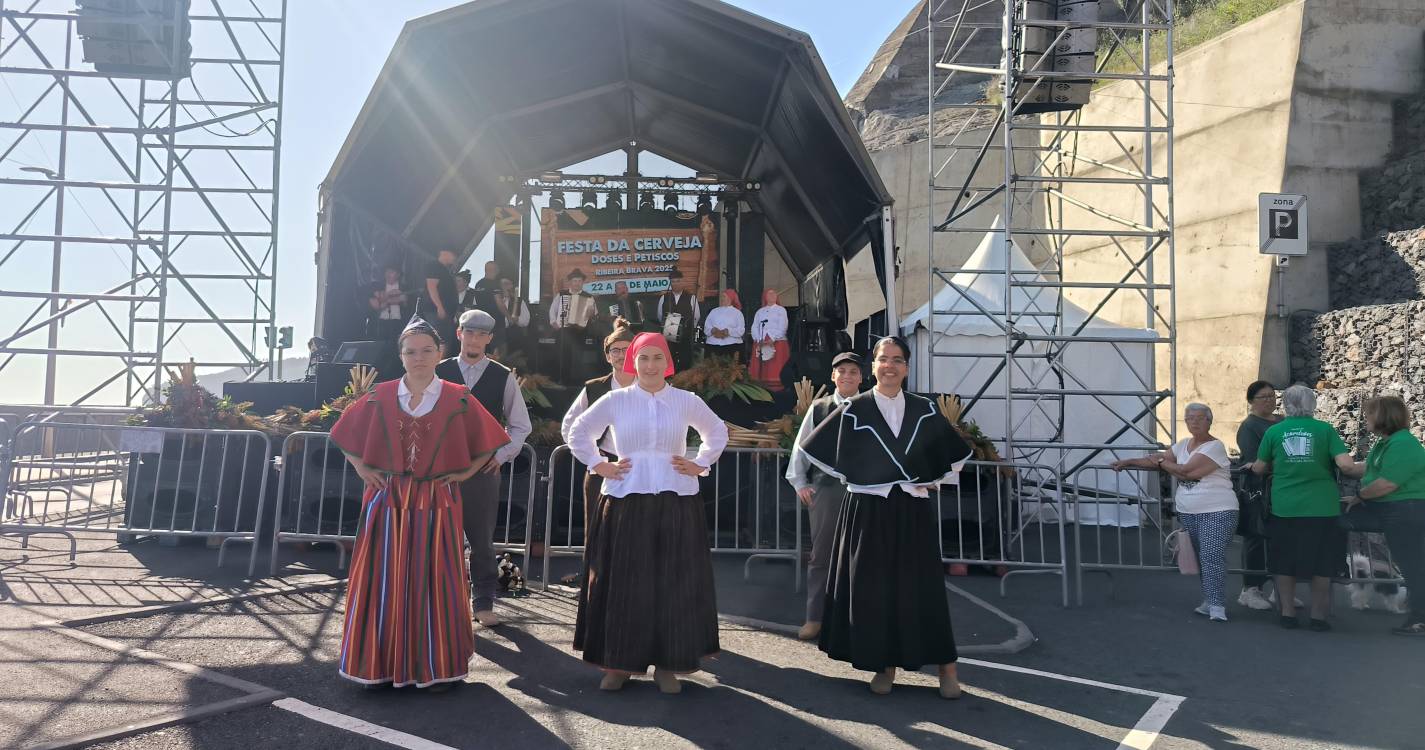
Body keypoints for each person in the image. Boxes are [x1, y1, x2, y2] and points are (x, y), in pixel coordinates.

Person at [328, 315, 508, 690]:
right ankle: (378, 666)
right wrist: (362, 467)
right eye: (411, 351)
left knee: (435, 578)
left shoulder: (458, 397)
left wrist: (462, 473)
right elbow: (343, 432)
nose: (419, 357)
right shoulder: (380, 394)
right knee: (383, 579)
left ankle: (436, 665)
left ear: (440, 351)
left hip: (435, 500)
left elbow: (490, 439)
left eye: (427, 350)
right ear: (401, 355)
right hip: (388, 499)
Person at [801, 336, 973, 698]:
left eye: (897, 359)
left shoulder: (924, 409)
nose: (890, 365)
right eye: (883, 359)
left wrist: (932, 478)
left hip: (911, 509)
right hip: (867, 509)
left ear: (906, 368)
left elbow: (952, 457)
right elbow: (816, 449)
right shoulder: (853, 409)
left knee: (923, 589)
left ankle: (947, 667)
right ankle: (885, 665)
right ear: (873, 367)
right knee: (875, 591)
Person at [566, 332, 728, 694]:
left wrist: (700, 463)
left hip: (676, 500)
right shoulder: (615, 400)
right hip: (626, 499)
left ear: (668, 362)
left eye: (657, 358)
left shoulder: (686, 400)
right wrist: (598, 464)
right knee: (625, 582)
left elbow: (716, 432)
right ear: (632, 363)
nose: (650, 365)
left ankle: (668, 664)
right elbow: (578, 432)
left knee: (673, 583)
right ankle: (619, 663)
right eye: (643, 359)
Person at [435, 309, 531, 629]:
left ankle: (483, 602)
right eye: (469, 332)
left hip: (483, 471)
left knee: (481, 541)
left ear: (489, 338)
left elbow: (520, 426)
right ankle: (440, 602)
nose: (475, 339)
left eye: (482, 334)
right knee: (437, 538)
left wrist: (500, 457)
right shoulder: (438, 371)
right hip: (440, 469)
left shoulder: (502, 375)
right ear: (459, 333)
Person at [1112, 404, 1239, 622]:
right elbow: (1157, 460)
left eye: (1199, 418)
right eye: (1189, 418)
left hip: (1218, 509)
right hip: (1189, 511)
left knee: (1211, 555)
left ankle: (1217, 605)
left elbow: (1187, 472)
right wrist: (1130, 462)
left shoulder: (1215, 446)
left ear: (1209, 421)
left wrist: (1162, 462)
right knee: (1202, 557)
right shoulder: (1182, 445)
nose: (1194, 422)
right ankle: (1210, 600)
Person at [1250, 384, 1353, 631]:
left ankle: (1287, 613)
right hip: (1322, 506)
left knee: (1284, 560)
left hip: (1286, 505)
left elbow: (1260, 467)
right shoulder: (1325, 430)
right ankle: (1318, 616)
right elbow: (1345, 465)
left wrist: (1254, 468)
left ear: (1285, 404)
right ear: (1312, 405)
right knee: (1322, 562)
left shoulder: (1274, 432)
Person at [784, 351, 863, 640]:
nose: (847, 376)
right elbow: (801, 448)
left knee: (861, 556)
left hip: (863, 491)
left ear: (861, 377)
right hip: (826, 491)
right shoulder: (819, 408)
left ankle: (855, 621)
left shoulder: (871, 407)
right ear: (833, 376)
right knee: (822, 555)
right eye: (841, 371)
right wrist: (800, 482)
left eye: (853, 371)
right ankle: (814, 617)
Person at [1340, 395, 1425, 636]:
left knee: (1413, 565)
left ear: (1384, 417)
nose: (1366, 417)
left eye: (1370, 414)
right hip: (1393, 509)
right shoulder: (1385, 444)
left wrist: (1360, 496)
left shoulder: (1403, 445)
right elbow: (1365, 469)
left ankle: (1420, 618)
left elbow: (1387, 483)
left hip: (1405, 509)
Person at [1235, 380, 1281, 610]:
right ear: (1251, 401)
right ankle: (1250, 588)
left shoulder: (1282, 421)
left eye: (1272, 396)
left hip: (1281, 488)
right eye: (1263, 397)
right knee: (1255, 537)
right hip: (1257, 489)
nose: (1269, 400)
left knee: (1279, 539)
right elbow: (1252, 458)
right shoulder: (1250, 426)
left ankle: (1279, 587)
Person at [550, 269, 597, 382]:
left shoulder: (589, 297)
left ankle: (576, 380)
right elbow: (553, 309)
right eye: (574, 281)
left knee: (578, 355)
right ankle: (562, 379)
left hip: (580, 330)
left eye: (579, 281)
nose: (577, 283)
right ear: (570, 282)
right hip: (564, 329)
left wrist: (590, 314)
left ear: (582, 283)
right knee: (562, 354)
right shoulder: (562, 294)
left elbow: (594, 314)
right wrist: (553, 322)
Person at [656, 270, 700, 371]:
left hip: (685, 336)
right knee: (669, 360)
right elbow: (659, 315)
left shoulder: (691, 298)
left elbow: (696, 316)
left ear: (682, 282)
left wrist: (688, 329)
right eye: (673, 281)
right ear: (670, 283)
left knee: (685, 360)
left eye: (678, 281)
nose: (676, 284)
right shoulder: (664, 298)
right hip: (669, 336)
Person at [749, 288, 790, 391]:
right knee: (762, 368)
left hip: (777, 341)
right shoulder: (760, 312)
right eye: (769, 294)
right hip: (761, 341)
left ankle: (777, 387)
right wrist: (758, 339)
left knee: (775, 369)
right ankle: (761, 386)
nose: (772, 296)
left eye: (774, 294)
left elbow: (783, 326)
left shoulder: (781, 310)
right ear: (765, 297)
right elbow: (755, 326)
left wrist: (773, 338)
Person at [424, 249, 461, 356]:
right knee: (440, 341)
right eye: (453, 254)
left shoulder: (443, 269)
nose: (454, 258)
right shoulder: (435, 266)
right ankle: (436, 367)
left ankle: (439, 366)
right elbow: (431, 287)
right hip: (436, 312)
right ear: (445, 253)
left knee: (444, 340)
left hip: (445, 312)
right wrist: (439, 307)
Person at [367, 265, 408, 344]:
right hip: (380, 324)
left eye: (391, 272)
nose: (388, 274)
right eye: (387, 272)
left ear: (398, 275)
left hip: (398, 324)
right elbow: (374, 305)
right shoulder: (376, 286)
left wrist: (403, 300)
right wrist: (391, 299)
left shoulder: (404, 288)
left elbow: (407, 306)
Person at [703, 289, 746, 360]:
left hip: (732, 345)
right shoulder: (714, 311)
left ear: (730, 298)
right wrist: (712, 330)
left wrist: (728, 331)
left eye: (724, 297)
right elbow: (706, 327)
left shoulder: (737, 313)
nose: (722, 299)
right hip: (713, 345)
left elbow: (741, 330)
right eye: (722, 297)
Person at [495, 277, 530, 358]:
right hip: (498, 336)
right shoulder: (495, 300)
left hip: (513, 337)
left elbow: (526, 321)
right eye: (502, 284)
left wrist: (517, 319)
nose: (504, 286)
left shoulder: (519, 301)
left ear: (512, 286)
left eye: (507, 284)